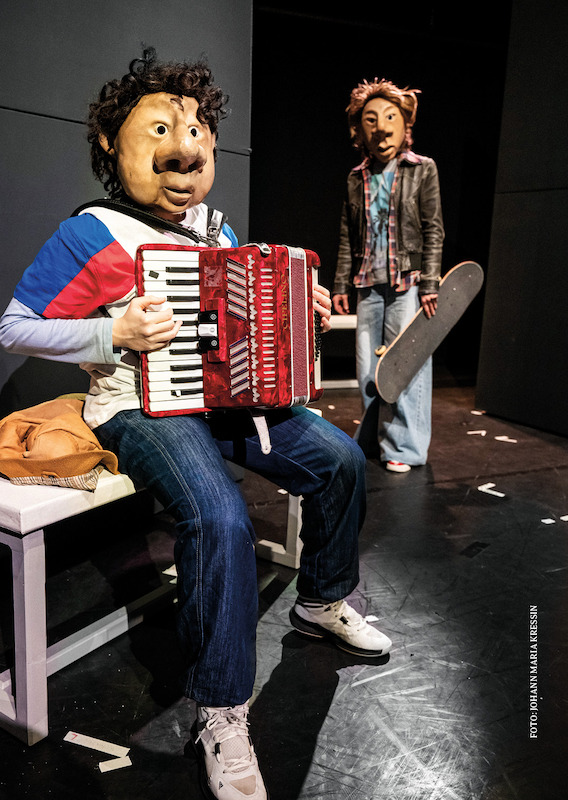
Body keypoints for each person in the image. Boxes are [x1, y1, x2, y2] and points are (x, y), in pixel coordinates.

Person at [0, 51, 392, 800]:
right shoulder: (91, 233)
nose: (183, 149)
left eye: (195, 132)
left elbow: (243, 329)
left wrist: (297, 314)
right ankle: (220, 710)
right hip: (137, 404)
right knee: (218, 516)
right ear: (112, 145)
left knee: (339, 459)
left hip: (219, 401)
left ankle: (321, 601)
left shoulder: (215, 230)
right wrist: (111, 332)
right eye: (159, 130)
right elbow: (14, 325)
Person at [332, 78, 444, 473]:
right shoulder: (356, 177)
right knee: (368, 368)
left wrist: (430, 283)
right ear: (359, 130)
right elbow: (347, 235)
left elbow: (433, 229)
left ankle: (406, 447)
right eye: (371, 120)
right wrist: (341, 283)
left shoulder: (422, 169)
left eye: (390, 117)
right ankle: (374, 439)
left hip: (407, 282)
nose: (381, 128)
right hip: (368, 283)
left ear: (405, 124)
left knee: (406, 365)